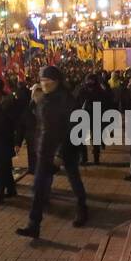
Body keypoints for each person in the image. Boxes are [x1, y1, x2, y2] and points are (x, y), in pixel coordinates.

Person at [17, 65, 87, 239]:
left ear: (57, 82)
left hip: (65, 150)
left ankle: (82, 209)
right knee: (39, 188)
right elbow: (40, 126)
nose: (44, 84)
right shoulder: (43, 100)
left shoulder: (67, 101)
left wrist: (61, 153)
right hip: (45, 151)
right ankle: (34, 224)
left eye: (48, 81)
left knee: (74, 180)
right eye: (42, 81)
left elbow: (75, 128)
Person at [74, 72, 111, 165]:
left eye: (91, 80)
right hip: (85, 115)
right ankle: (84, 157)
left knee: (95, 139)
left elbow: (105, 103)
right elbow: (76, 101)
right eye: (88, 80)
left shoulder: (99, 91)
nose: (89, 82)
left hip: (95, 115)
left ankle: (95, 157)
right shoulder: (82, 90)